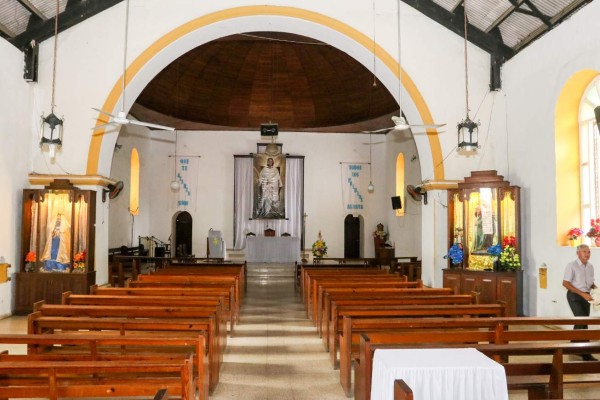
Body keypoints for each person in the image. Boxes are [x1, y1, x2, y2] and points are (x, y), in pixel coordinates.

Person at [563, 244, 597, 361]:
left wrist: (596, 291)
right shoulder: (571, 266)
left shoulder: (590, 267)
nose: (587, 254)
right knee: (582, 319)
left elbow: (590, 283)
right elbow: (566, 283)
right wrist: (582, 294)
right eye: (584, 252)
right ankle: (584, 352)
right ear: (578, 253)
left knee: (582, 321)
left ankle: (573, 346)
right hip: (574, 296)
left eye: (588, 252)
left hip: (586, 296)